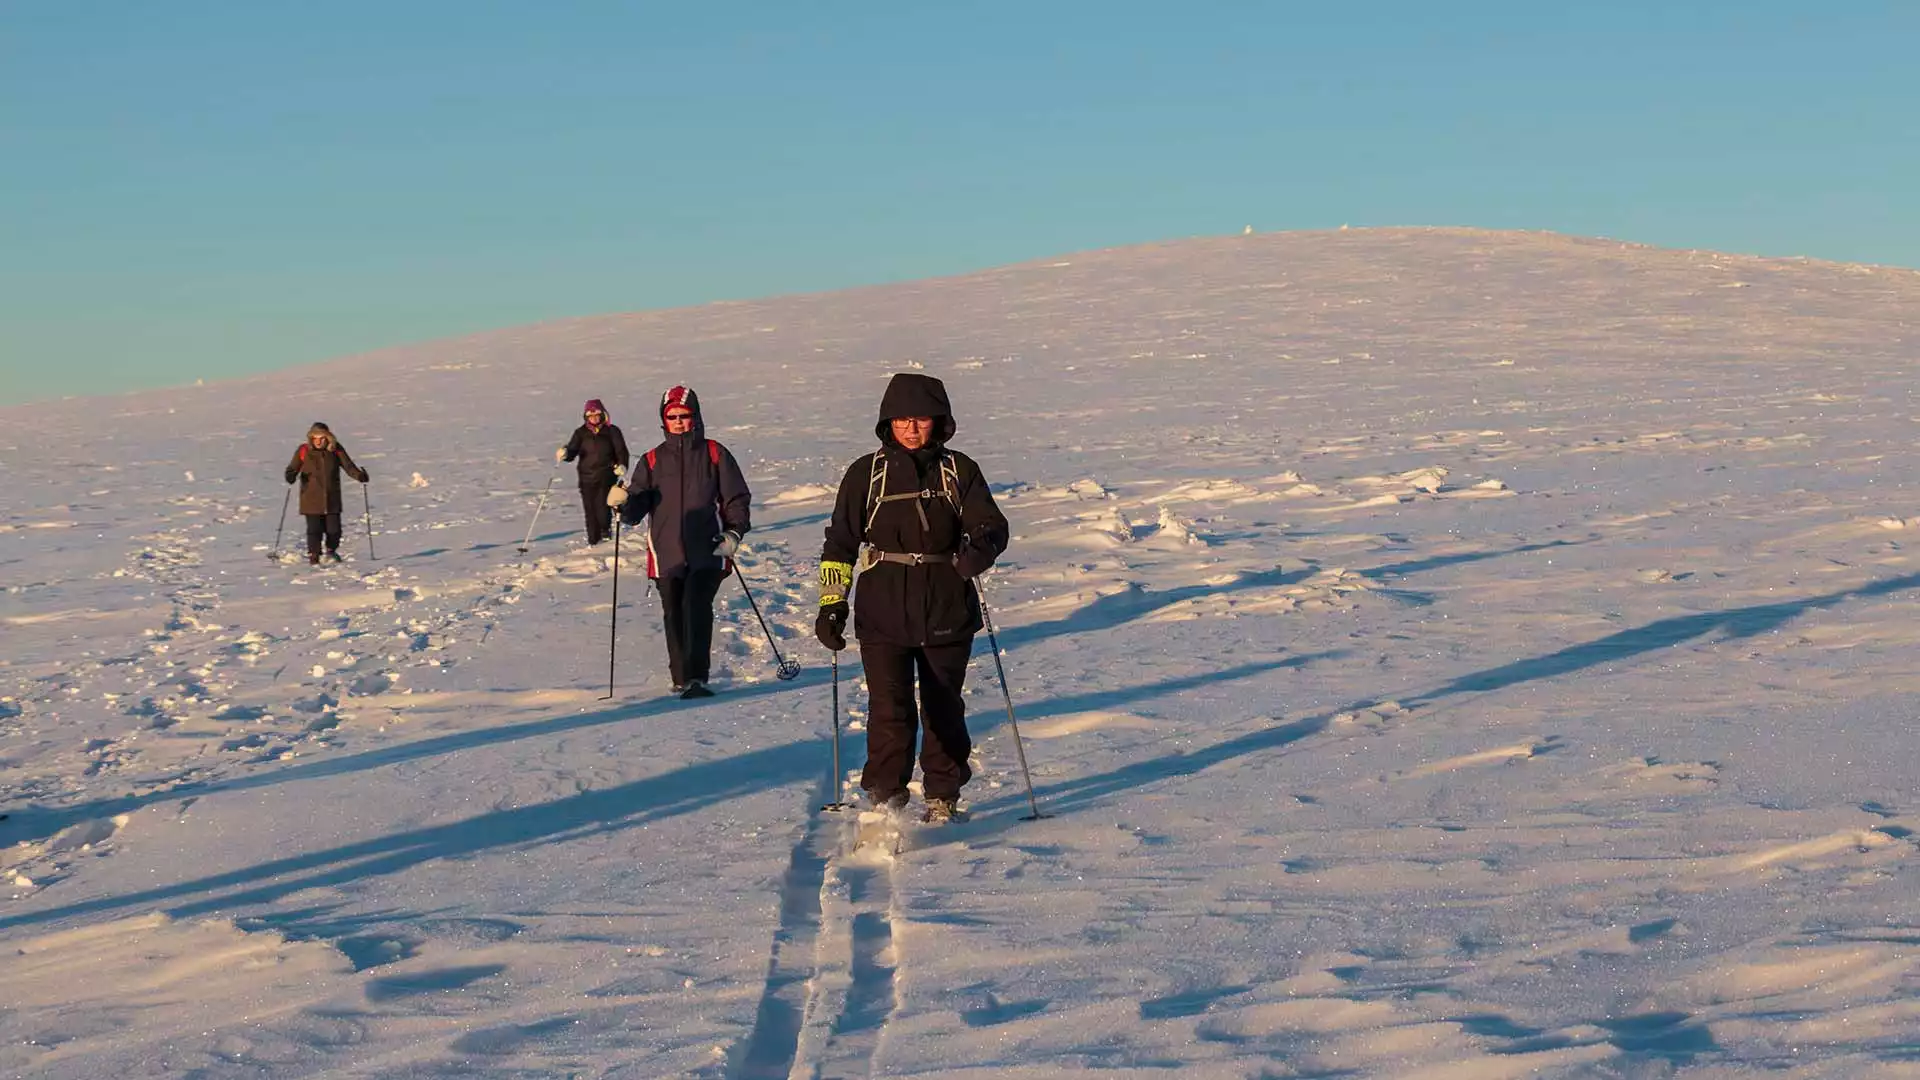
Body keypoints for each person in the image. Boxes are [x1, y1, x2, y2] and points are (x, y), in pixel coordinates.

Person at [815, 373, 1009, 824]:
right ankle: (885, 796)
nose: (911, 427)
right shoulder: (867, 473)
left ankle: (942, 796)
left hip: (945, 605)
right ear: (888, 422)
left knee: (944, 707)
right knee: (889, 708)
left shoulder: (959, 470)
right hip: (882, 608)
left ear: (938, 421)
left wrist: (977, 552)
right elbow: (840, 543)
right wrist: (831, 602)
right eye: (901, 418)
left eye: (920, 418)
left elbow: (991, 526)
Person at [610, 386, 752, 699]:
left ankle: (696, 678)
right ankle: (681, 678)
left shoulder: (715, 454)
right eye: (671, 416)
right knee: (674, 612)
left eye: (683, 416)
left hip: (709, 550)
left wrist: (734, 532)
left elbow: (736, 498)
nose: (677, 421)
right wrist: (622, 504)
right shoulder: (651, 460)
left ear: (695, 417)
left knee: (696, 604)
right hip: (666, 553)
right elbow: (637, 508)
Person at [283, 421, 369, 565]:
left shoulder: (335, 450)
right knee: (314, 530)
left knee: (334, 530)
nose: (318, 441)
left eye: (322, 438)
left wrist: (360, 476)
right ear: (311, 438)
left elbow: (348, 466)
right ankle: (314, 555)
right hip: (310, 498)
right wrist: (290, 476)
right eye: (315, 438)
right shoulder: (303, 451)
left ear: (328, 437)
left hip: (332, 497)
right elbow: (292, 468)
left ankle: (331, 550)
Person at [557, 399, 630, 546]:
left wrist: (622, 465)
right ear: (586, 417)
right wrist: (565, 453)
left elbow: (621, 451)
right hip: (586, 477)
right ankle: (593, 540)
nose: (594, 418)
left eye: (597, 415)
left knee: (602, 507)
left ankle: (605, 532)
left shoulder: (612, 431)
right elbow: (572, 451)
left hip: (607, 475)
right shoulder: (581, 433)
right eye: (591, 416)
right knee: (590, 510)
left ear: (603, 414)